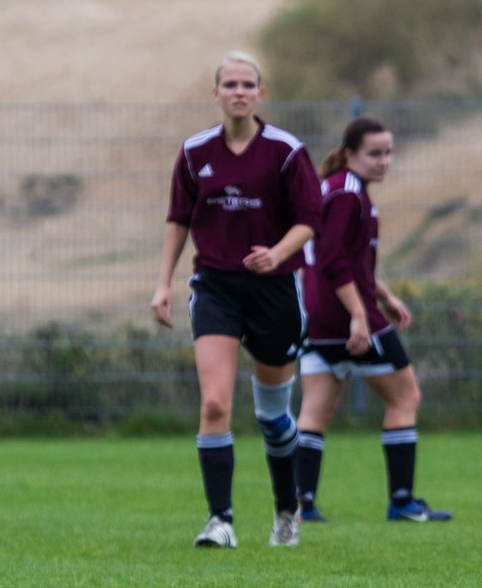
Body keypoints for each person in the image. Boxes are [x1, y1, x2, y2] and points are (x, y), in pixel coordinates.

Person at [151, 51, 321, 549]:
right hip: (216, 288)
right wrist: (163, 283)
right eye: (230, 84)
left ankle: (287, 510)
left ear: (261, 93)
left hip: (274, 289)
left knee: (273, 417)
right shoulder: (194, 152)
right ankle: (219, 521)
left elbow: (310, 218)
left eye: (248, 83)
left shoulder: (286, 151)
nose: (239, 91)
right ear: (216, 92)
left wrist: (277, 253)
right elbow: (178, 221)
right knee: (214, 402)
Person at [294, 117, 451, 525]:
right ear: (350, 154)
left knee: (315, 410)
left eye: (388, 153)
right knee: (405, 397)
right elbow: (333, 261)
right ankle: (402, 502)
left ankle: (301, 505)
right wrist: (362, 316)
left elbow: (352, 260)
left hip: (317, 318)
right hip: (346, 316)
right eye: (375, 153)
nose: (384, 161)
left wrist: (387, 295)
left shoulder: (336, 188)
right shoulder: (348, 194)